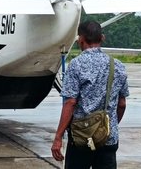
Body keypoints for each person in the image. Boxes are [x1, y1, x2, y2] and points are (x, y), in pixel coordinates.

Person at [51, 21, 129, 168]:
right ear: (102, 38)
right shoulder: (118, 65)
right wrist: (108, 126)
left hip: (81, 139)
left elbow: (70, 103)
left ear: (81, 39)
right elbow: (122, 104)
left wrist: (58, 137)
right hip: (108, 138)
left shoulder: (76, 64)